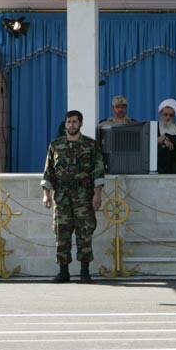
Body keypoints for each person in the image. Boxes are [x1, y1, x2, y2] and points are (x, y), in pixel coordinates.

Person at [41, 110, 105, 284]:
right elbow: (48, 172)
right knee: (61, 233)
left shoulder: (90, 145)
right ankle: (63, 272)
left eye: (75, 122)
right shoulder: (55, 145)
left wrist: (98, 194)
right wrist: (46, 194)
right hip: (62, 197)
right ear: (65, 123)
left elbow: (98, 171)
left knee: (85, 233)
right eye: (69, 122)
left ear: (81, 124)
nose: (71, 125)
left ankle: (85, 272)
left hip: (84, 196)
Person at [156, 99, 176, 174]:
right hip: (158, 161)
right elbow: (147, 143)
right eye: (165, 114)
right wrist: (159, 140)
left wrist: (166, 136)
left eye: (171, 115)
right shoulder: (154, 127)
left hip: (175, 161)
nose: (168, 117)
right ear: (160, 114)